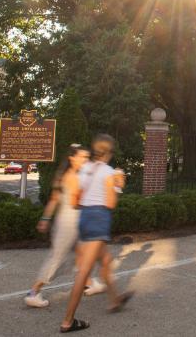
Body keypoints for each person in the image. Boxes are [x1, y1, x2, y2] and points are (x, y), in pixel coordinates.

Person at [59, 134, 132, 333]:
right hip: (99, 220)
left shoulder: (85, 170)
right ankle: (68, 321)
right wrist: (118, 185)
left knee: (106, 262)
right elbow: (110, 203)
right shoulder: (108, 172)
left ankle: (115, 300)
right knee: (84, 272)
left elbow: (76, 201)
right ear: (109, 152)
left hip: (84, 218)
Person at [24, 145, 106, 308]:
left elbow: (54, 200)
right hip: (71, 223)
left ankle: (90, 283)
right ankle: (33, 292)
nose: (85, 160)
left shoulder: (64, 175)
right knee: (57, 259)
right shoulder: (74, 177)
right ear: (72, 158)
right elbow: (77, 203)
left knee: (83, 254)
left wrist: (45, 218)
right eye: (82, 157)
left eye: (87, 157)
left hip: (66, 220)